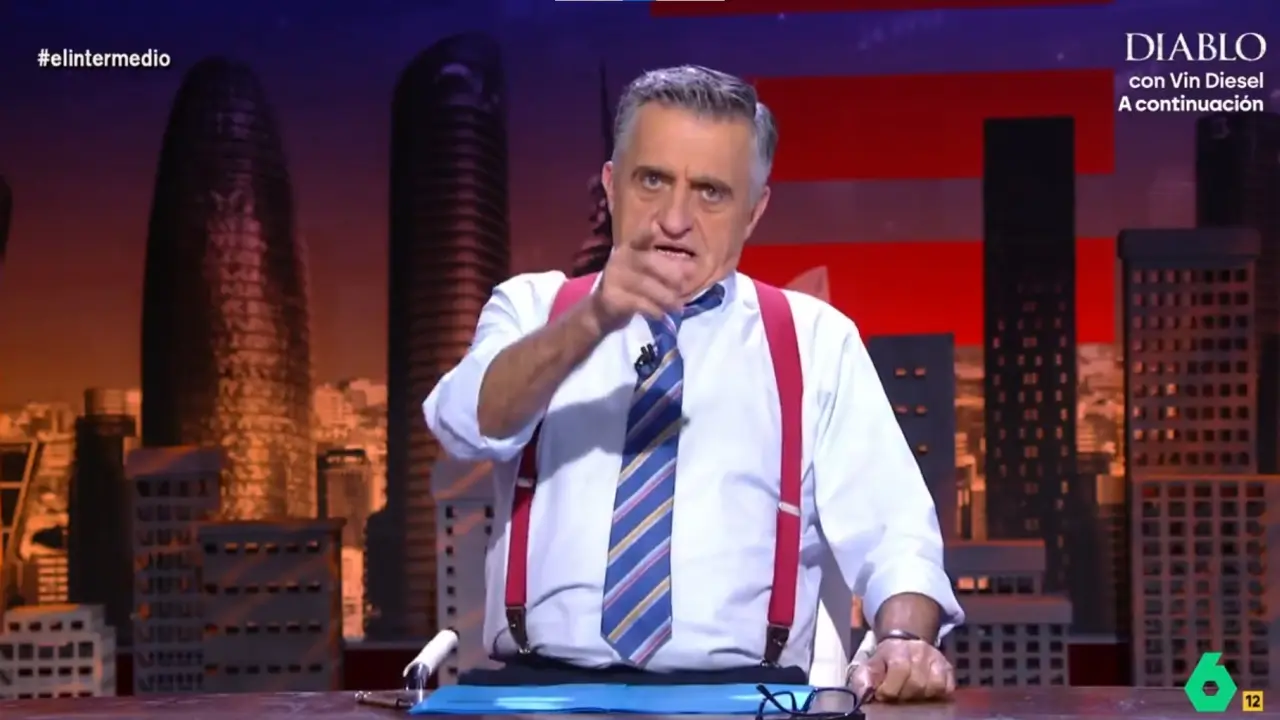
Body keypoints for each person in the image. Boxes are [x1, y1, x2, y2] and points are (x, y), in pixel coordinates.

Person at [424, 65, 963, 702]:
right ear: (611, 186)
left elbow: (895, 534)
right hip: (539, 694)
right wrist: (592, 319)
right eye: (652, 180)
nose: (674, 218)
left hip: (752, 698)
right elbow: (466, 424)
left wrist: (903, 640)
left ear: (754, 212)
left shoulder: (816, 340)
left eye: (710, 192)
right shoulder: (534, 309)